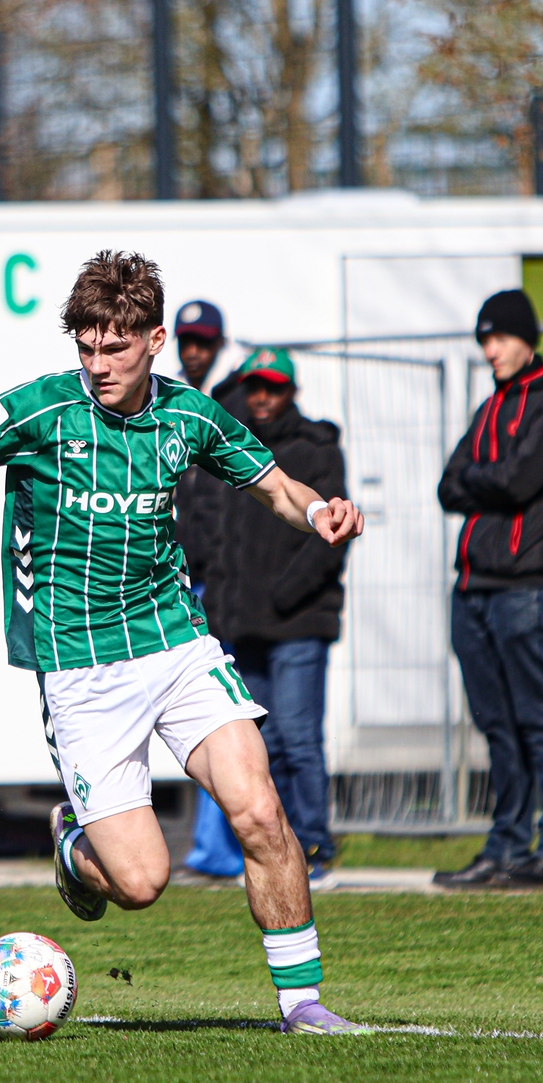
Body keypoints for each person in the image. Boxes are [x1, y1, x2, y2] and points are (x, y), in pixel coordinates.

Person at [0, 251, 373, 1035]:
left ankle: (303, 1005)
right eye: (85, 348)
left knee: (260, 810)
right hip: (80, 666)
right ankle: (71, 847)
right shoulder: (43, 410)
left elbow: (274, 486)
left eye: (114, 348)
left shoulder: (191, 416)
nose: (97, 365)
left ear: (156, 339)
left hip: (174, 640)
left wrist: (319, 509)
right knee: (143, 881)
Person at [434, 289, 543, 889]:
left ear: (527, 339)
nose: (489, 350)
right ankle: (504, 846)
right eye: (484, 340)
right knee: (496, 722)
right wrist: (486, 482)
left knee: (538, 717)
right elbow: (449, 486)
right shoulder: (493, 404)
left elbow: (519, 478)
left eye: (498, 338)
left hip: (526, 586)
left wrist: (484, 480)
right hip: (474, 585)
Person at [199, 348, 349, 888]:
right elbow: (219, 536)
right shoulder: (233, 445)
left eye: (274, 388)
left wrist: (284, 593)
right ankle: (282, 851)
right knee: (264, 745)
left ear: (292, 391)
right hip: (245, 624)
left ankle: (316, 847)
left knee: (300, 738)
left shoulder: (316, 446)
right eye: (255, 387)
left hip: (297, 621)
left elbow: (330, 532)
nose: (261, 398)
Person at [169, 300, 244, 879]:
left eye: (204, 342)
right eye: (188, 341)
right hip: (180, 587)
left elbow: (233, 506)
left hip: (213, 591)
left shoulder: (224, 407)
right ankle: (208, 848)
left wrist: (217, 580)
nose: (194, 351)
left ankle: (219, 848)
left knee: (218, 723)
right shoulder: (167, 403)